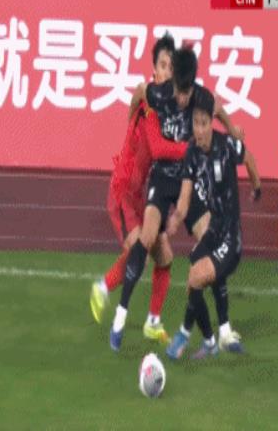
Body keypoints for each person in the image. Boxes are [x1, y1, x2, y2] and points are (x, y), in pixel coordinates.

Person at [109, 46, 246, 352]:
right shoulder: (159, 93)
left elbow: (217, 107)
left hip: (188, 179)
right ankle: (120, 317)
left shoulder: (200, 96)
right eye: (178, 92)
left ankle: (224, 330)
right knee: (146, 237)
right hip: (162, 177)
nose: (182, 99)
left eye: (186, 93)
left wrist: (232, 129)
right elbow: (139, 92)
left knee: (212, 241)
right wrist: (131, 123)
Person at [90, 34, 181, 344]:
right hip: (123, 190)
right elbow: (156, 147)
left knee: (164, 255)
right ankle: (103, 287)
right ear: (154, 69)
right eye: (163, 65)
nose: (167, 72)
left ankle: (153, 321)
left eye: (171, 67)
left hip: (141, 191)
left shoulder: (165, 105)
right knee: (136, 249)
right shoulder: (148, 98)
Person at [165, 87, 261, 360]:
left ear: (211, 123)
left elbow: (250, 159)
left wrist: (256, 187)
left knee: (197, 277)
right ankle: (211, 339)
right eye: (195, 123)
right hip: (214, 229)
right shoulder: (192, 154)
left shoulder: (226, 146)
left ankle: (190, 334)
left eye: (204, 123)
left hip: (231, 236)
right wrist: (176, 218)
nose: (199, 130)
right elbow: (185, 198)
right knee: (193, 274)